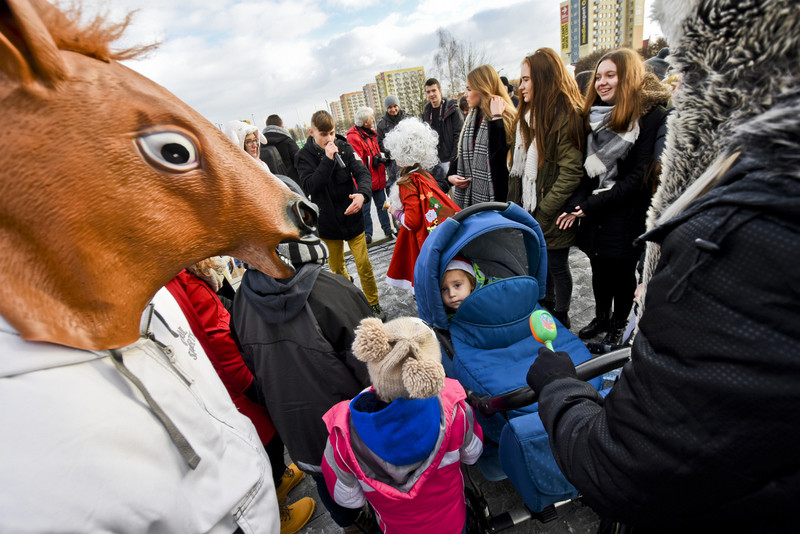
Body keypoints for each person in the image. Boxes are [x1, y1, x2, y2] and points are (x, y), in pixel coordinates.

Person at [526, 0, 800, 531]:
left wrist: (559, 387)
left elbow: (627, 466)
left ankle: (609, 324)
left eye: (611, 73)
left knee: (610, 277)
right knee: (607, 281)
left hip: (621, 221)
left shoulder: (739, 230)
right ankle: (608, 322)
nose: (602, 82)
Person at [231, 240, 380, 534]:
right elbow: (376, 368)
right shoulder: (331, 290)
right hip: (355, 429)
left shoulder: (241, 302)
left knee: (323, 475)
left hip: (296, 429)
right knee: (372, 481)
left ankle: (351, 524)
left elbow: (250, 364)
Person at [165, 259, 314, 534]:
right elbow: (217, 338)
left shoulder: (185, 276)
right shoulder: (184, 281)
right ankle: (273, 511)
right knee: (260, 438)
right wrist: (250, 382)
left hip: (228, 377)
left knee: (265, 434)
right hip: (233, 381)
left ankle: (279, 480)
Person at [322, 316, 484, 534]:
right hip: (452, 524)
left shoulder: (342, 438)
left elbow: (348, 499)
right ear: (431, 372)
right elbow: (472, 454)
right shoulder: (456, 410)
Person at [557, 48, 670, 344]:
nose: (602, 83)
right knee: (598, 267)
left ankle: (620, 322)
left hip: (626, 212)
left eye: (611, 76)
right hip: (597, 214)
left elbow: (637, 180)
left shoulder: (650, 117)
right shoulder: (593, 118)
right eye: (599, 77)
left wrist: (590, 205)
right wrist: (576, 204)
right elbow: (586, 172)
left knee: (621, 274)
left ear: (629, 78)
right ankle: (602, 318)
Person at [507, 48, 585, 329]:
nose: (521, 86)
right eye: (521, 79)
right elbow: (520, 170)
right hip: (533, 206)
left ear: (543, 78)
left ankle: (562, 315)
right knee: (543, 264)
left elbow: (571, 171)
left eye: (526, 79)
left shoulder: (565, 115)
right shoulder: (529, 116)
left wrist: (544, 212)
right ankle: (547, 306)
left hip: (550, 208)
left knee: (557, 265)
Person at [295, 110, 384, 318]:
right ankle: (351, 297)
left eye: (332, 133)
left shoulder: (344, 147)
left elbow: (362, 172)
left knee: (364, 264)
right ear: (312, 132)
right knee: (337, 270)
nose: (329, 139)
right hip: (327, 224)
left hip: (351, 217)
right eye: (323, 134)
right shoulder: (303, 157)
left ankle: (374, 304)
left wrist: (362, 194)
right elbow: (310, 186)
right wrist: (327, 160)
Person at [383, 118, 461, 292]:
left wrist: (395, 212)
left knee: (422, 283)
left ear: (402, 154)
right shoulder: (424, 174)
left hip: (419, 243)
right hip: (433, 235)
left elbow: (412, 222)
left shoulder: (407, 183)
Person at [448, 64, 515, 207]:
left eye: (469, 89)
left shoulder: (507, 116)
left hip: (498, 199)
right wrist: (451, 175)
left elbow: (499, 159)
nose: (465, 94)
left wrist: (497, 118)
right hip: (471, 196)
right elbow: (463, 151)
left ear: (483, 88)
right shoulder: (473, 116)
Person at [346, 106, 393, 244]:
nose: (373, 119)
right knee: (365, 209)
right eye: (371, 117)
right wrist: (373, 161)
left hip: (377, 177)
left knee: (382, 205)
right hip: (365, 181)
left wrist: (380, 158)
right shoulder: (354, 137)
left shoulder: (371, 134)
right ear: (366, 121)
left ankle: (387, 228)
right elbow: (357, 161)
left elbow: (374, 153)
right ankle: (368, 233)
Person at [422, 78, 464, 181]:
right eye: (428, 92)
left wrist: (454, 159)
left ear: (440, 91)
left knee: (456, 194)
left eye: (434, 90)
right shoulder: (426, 112)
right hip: (435, 163)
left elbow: (459, 135)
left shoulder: (453, 109)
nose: (431, 94)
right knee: (440, 195)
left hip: (451, 160)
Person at [376, 94, 406, 186]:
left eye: (395, 106)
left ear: (398, 106)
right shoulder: (381, 125)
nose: (393, 109)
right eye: (390, 107)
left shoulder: (407, 118)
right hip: (393, 162)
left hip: (409, 160)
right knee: (396, 187)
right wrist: (392, 150)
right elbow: (380, 143)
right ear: (386, 109)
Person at [262, 114, 300, 181]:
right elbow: (300, 161)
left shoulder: (261, 144)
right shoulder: (288, 141)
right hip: (293, 183)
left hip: (272, 183)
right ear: (281, 126)